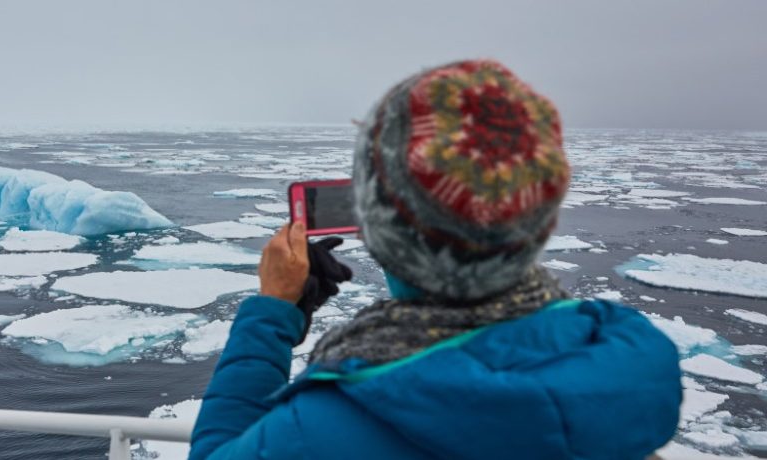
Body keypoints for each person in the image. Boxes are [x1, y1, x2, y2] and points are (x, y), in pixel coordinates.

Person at [187, 60, 682, 460]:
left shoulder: (325, 430)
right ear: (536, 218)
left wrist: (273, 312)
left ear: (381, 226)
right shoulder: (620, 375)